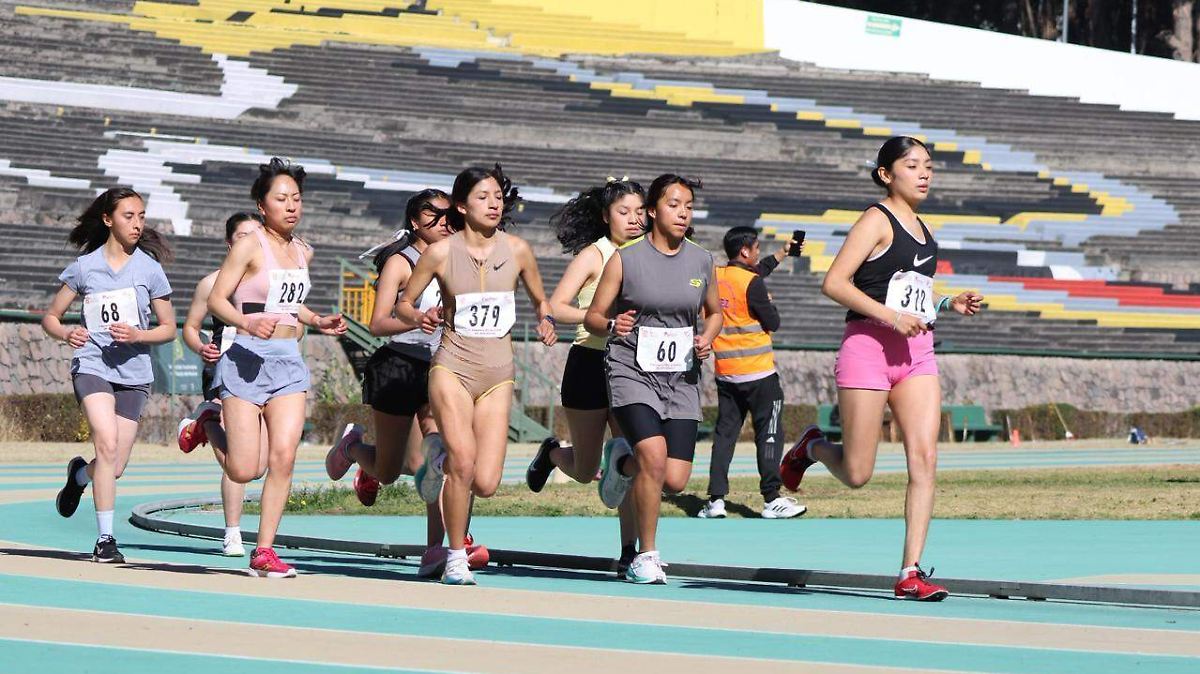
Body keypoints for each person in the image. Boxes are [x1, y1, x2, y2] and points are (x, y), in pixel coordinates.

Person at [779, 136, 984, 601]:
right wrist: (890, 318)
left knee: (925, 459)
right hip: (868, 349)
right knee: (857, 473)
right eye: (913, 166)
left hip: (917, 355)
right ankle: (811, 447)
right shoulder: (876, 219)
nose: (925, 173)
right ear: (887, 174)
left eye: (929, 166)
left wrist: (948, 302)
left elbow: (911, 296)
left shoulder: (926, 231)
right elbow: (834, 283)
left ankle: (910, 572)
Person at [400, 165, 556, 585]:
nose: (493, 204)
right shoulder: (439, 253)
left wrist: (545, 319)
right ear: (462, 205)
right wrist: (421, 315)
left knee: (485, 482)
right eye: (483, 197)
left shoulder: (519, 249)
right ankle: (454, 554)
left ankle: (437, 457)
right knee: (464, 466)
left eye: (498, 197)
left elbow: (542, 300)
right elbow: (402, 306)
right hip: (452, 366)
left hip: (498, 373)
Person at [324, 189, 487, 577]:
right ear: (415, 221)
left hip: (443, 368)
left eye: (452, 215)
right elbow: (379, 323)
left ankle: (441, 547)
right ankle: (353, 448)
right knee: (391, 469)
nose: (447, 222)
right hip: (399, 365)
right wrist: (418, 319)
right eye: (436, 215)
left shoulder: (458, 258)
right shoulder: (401, 262)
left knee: (438, 458)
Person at [207, 158, 347, 578]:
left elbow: (290, 304)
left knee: (284, 458)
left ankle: (264, 550)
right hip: (246, 359)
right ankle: (207, 424)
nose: (291, 206)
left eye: (297, 198)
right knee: (246, 468)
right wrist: (246, 321)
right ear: (262, 205)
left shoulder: (303, 250)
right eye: (281, 198)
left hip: (288, 364)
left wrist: (317, 320)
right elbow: (217, 299)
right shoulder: (249, 245)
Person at [585, 174, 722, 584]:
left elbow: (714, 312)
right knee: (655, 459)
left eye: (688, 206)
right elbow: (593, 316)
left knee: (675, 480)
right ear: (652, 212)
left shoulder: (701, 260)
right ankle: (646, 555)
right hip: (632, 370)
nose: (682, 213)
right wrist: (612, 323)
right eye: (674, 205)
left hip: (681, 375)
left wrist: (707, 338)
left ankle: (620, 462)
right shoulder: (625, 259)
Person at [45, 187, 176, 564]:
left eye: (141, 217)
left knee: (113, 466)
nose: (137, 224)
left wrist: (138, 335)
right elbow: (51, 317)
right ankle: (105, 540)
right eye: (128, 216)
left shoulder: (150, 270)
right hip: (93, 364)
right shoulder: (86, 267)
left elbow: (167, 327)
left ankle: (79, 478)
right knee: (105, 440)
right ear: (108, 219)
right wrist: (66, 332)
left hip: (134, 371)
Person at [527, 177, 643, 573]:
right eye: (623, 212)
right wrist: (605, 322)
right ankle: (553, 453)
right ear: (605, 216)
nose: (633, 220)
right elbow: (557, 306)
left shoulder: (652, 253)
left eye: (640, 212)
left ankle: (632, 551)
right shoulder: (595, 255)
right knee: (584, 469)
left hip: (635, 368)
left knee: (629, 458)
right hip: (590, 363)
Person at [176, 212, 270, 557]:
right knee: (237, 456)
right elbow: (190, 326)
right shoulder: (212, 283)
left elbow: (296, 323)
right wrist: (201, 346)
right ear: (230, 243)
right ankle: (233, 533)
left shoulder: (270, 280)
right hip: (225, 370)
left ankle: (205, 422)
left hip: (265, 370)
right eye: (243, 237)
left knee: (257, 467)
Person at [700, 226, 805, 520]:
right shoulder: (754, 285)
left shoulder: (716, 277)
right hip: (759, 373)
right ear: (745, 251)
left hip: (727, 373)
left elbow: (756, 273)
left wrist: (783, 253)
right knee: (769, 433)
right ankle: (771, 498)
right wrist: (769, 302)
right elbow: (773, 322)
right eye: (756, 248)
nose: (758, 253)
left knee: (725, 436)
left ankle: (716, 500)